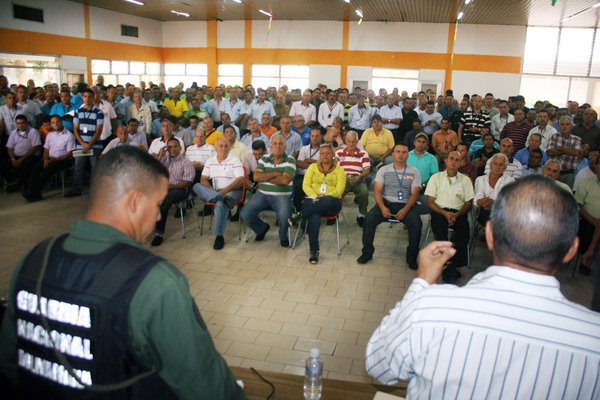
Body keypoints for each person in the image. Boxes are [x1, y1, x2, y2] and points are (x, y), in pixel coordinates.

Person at [0, 146, 245, 399]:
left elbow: (9, 362)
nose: (159, 215)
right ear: (135, 201)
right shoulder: (154, 282)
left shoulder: (34, 260)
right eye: (158, 204)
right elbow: (207, 388)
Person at [366, 175, 600, 399]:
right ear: (571, 249)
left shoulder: (432, 306)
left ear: (490, 235)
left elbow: (379, 366)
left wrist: (421, 285)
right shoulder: (594, 339)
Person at [357, 143, 422, 268]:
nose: (401, 155)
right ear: (393, 154)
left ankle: (412, 257)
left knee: (417, 224)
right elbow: (377, 191)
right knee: (369, 220)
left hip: (405, 204)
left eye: (404, 152)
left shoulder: (414, 172)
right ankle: (367, 253)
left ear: (408, 155)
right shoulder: (383, 170)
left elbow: (414, 195)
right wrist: (382, 207)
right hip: (385, 202)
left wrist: (405, 209)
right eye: (398, 151)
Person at [426, 151, 474, 283]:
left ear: (461, 163)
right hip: (439, 211)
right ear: (446, 161)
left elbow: (468, 204)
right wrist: (445, 213)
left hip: (459, 212)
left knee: (464, 232)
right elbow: (430, 201)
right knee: (440, 232)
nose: (454, 162)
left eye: (457, 160)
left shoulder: (465, 180)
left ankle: (452, 265)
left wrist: (456, 215)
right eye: (451, 159)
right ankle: (448, 267)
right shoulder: (436, 178)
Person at [241, 135, 296, 247]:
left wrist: (265, 176)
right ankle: (261, 229)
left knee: (285, 217)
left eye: (280, 144)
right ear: (270, 146)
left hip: (282, 195)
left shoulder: (290, 159)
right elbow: (256, 177)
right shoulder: (264, 158)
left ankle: (283, 237)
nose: (278, 146)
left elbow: (285, 180)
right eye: (275, 143)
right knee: (245, 213)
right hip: (262, 194)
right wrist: (276, 173)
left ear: (285, 146)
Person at [193, 137, 244, 250]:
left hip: (233, 192)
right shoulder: (210, 160)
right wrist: (213, 191)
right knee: (196, 186)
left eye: (226, 146)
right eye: (220, 146)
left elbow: (240, 179)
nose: (223, 148)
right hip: (215, 192)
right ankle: (220, 198)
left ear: (230, 147)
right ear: (215, 147)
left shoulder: (235, 160)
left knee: (221, 204)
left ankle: (219, 236)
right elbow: (203, 179)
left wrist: (223, 192)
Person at [300, 144, 346, 264]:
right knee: (314, 215)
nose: (325, 155)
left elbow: (339, 190)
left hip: (332, 203)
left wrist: (324, 197)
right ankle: (314, 251)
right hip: (313, 201)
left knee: (327, 200)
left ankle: (300, 215)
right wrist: (316, 197)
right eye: (322, 153)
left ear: (332, 155)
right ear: (319, 155)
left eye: (328, 153)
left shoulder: (340, 170)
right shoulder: (312, 167)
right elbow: (305, 185)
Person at [150, 138, 195, 247]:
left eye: (175, 146)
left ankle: (159, 234)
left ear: (180, 147)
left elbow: (187, 182)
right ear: (166, 148)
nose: (173, 149)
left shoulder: (186, 162)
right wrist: (160, 156)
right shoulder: (164, 159)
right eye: (169, 147)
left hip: (180, 189)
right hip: (164, 189)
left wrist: (170, 186)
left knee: (163, 201)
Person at [66, 88, 104, 197]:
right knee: (78, 168)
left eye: (90, 96)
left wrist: (89, 144)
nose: (87, 99)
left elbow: (99, 130)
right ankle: (76, 189)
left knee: (95, 168)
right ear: (82, 98)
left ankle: (97, 191)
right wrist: (83, 143)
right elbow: (75, 129)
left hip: (95, 145)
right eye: (85, 96)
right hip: (80, 145)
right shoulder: (77, 112)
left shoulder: (99, 112)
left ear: (93, 98)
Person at [336, 131, 370, 227]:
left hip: (358, 179)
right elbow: (336, 170)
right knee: (337, 192)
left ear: (357, 141)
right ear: (345, 141)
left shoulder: (363, 153)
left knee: (364, 192)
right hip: (343, 179)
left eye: (353, 142)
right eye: (349, 141)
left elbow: (367, 169)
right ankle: (335, 213)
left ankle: (361, 215)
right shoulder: (339, 153)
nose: (351, 144)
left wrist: (360, 177)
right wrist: (344, 177)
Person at [6, 114, 42, 201]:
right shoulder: (13, 133)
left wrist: (20, 160)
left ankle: (26, 188)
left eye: (22, 123)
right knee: (4, 165)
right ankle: (17, 182)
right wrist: (12, 159)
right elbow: (10, 147)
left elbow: (35, 148)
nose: (20, 125)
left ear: (27, 123)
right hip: (16, 156)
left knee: (24, 165)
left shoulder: (33, 131)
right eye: (18, 123)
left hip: (31, 155)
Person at [574, 156, 600, 276]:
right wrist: (591, 219)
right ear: (596, 167)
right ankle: (587, 259)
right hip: (587, 220)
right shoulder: (587, 184)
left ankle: (589, 253)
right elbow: (578, 205)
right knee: (590, 228)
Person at [474, 153, 514, 225]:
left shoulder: (510, 181)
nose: (497, 167)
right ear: (490, 165)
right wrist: (484, 202)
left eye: (501, 165)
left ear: (505, 168)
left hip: (501, 212)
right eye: (495, 164)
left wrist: (494, 204)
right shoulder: (480, 179)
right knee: (484, 212)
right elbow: (478, 196)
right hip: (483, 210)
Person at [547, 115, 582, 189]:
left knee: (566, 197)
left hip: (568, 174)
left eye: (567, 124)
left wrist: (560, 149)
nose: (564, 127)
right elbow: (549, 152)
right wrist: (568, 151)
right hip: (553, 173)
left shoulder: (577, 139)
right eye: (562, 124)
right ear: (559, 126)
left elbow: (576, 153)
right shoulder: (554, 136)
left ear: (571, 126)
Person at [407, 133, 438, 214]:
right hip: (407, 187)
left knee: (431, 207)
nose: (420, 144)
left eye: (423, 142)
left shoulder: (432, 158)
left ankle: (412, 214)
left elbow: (434, 176)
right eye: (419, 141)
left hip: (424, 189)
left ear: (427, 145)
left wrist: (423, 185)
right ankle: (411, 216)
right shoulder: (406, 155)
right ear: (414, 142)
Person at [293, 127, 322, 213]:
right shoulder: (304, 148)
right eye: (312, 136)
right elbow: (299, 163)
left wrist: (309, 160)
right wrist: (316, 164)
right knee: (298, 184)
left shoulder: (324, 149)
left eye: (317, 136)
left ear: (321, 137)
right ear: (310, 137)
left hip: (317, 176)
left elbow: (324, 165)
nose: (314, 138)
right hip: (303, 175)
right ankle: (297, 211)